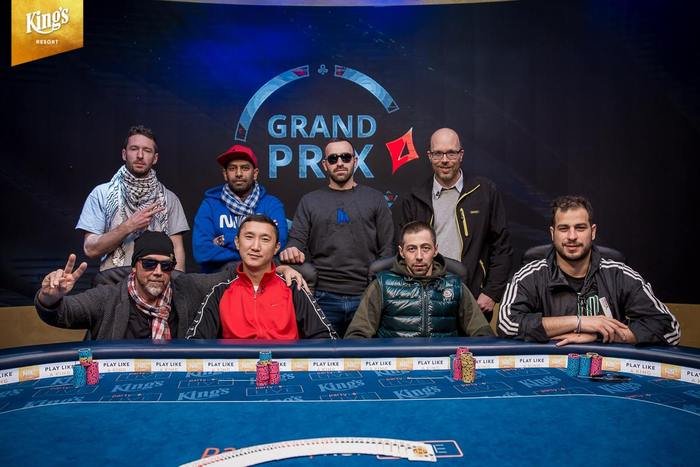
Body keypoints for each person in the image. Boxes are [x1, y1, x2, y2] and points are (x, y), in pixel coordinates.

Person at [498, 195, 680, 346]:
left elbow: (670, 329)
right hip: (550, 366)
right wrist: (580, 322)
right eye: (564, 228)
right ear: (553, 233)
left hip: (608, 371)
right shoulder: (529, 276)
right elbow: (507, 324)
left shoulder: (620, 274)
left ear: (592, 232)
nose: (572, 236)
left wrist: (600, 335)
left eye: (580, 228)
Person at [279, 138, 395, 336]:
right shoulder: (310, 201)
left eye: (345, 157)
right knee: (322, 354)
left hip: (366, 296)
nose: (339, 163)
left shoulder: (375, 199)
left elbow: (388, 249)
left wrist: (377, 289)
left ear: (355, 161)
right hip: (322, 296)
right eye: (333, 159)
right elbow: (296, 241)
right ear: (325, 165)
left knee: (364, 354)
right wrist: (292, 250)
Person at [395, 128, 512, 322]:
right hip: (425, 298)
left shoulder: (484, 192)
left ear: (461, 155)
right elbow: (401, 253)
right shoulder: (413, 198)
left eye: (451, 153)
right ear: (429, 156)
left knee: (472, 343)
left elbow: (502, 246)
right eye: (438, 154)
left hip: (473, 296)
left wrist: (492, 292)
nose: (445, 160)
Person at [36, 231, 215, 339]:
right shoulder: (107, 297)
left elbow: (226, 278)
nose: (158, 271)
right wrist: (49, 298)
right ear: (134, 267)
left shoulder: (185, 291)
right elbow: (63, 313)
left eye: (166, 266)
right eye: (149, 264)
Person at [187, 215, 336, 339]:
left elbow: (326, 338)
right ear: (237, 242)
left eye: (265, 239)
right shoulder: (219, 292)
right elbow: (194, 343)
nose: (255, 247)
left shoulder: (293, 287)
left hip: (285, 365)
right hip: (237, 365)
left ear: (276, 248)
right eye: (249, 237)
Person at [345, 221, 493, 338]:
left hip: (443, 362)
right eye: (412, 249)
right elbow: (357, 334)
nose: (419, 256)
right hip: (396, 362)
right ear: (401, 252)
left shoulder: (455, 285)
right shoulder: (381, 285)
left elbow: (482, 332)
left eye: (425, 248)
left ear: (435, 250)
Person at [76, 125, 189, 271]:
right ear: (124, 154)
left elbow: (177, 250)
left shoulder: (169, 199)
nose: (140, 155)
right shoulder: (101, 194)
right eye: (134, 149)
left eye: (147, 150)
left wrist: (177, 282)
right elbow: (90, 249)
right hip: (113, 279)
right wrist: (129, 226)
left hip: (156, 279)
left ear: (155, 158)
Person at [193, 144, 288, 273]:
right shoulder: (209, 205)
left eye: (245, 168)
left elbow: (278, 243)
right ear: (225, 174)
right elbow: (202, 252)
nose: (238, 174)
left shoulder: (271, 204)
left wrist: (225, 239)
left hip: (261, 276)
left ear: (255, 173)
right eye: (232, 168)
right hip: (218, 276)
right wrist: (253, 254)